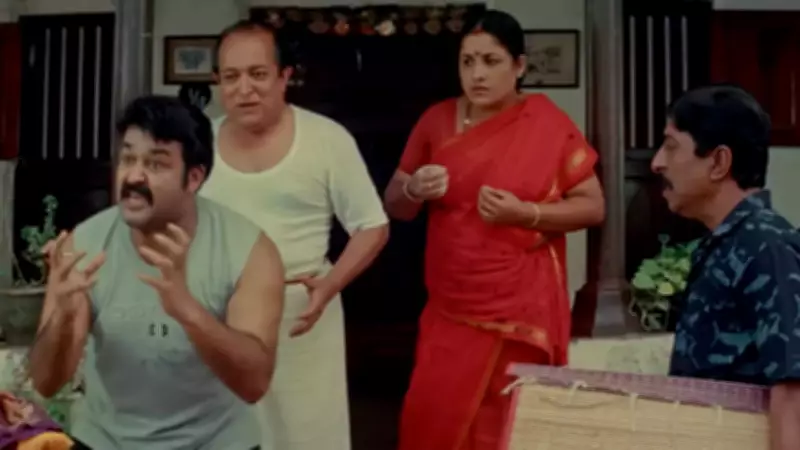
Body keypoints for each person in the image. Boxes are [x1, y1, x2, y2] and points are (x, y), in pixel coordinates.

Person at [383, 10, 605, 450]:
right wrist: (413, 189)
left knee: (503, 423)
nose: (477, 74)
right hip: (450, 302)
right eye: (467, 62)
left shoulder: (547, 123)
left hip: (518, 305)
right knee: (432, 414)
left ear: (519, 66)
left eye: (491, 61)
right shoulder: (436, 121)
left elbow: (592, 206)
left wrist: (528, 214)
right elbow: (395, 206)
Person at [28, 95, 285, 450]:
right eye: (128, 159)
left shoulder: (249, 250)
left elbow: (254, 384)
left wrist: (187, 309)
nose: (134, 176)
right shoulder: (84, 246)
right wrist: (62, 316)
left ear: (193, 178)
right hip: (105, 442)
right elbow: (46, 383)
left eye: (156, 164)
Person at [200, 20, 389, 450]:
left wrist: (331, 284)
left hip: (302, 316)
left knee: (305, 436)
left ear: (284, 76)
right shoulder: (197, 144)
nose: (244, 89)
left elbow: (372, 225)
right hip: (221, 320)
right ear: (217, 81)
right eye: (231, 77)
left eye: (257, 74)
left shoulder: (326, 139)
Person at [652, 85, 800, 450]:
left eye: (671, 146)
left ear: (718, 162)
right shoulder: (725, 242)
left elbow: (792, 391)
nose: (657, 163)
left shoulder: (766, 246)